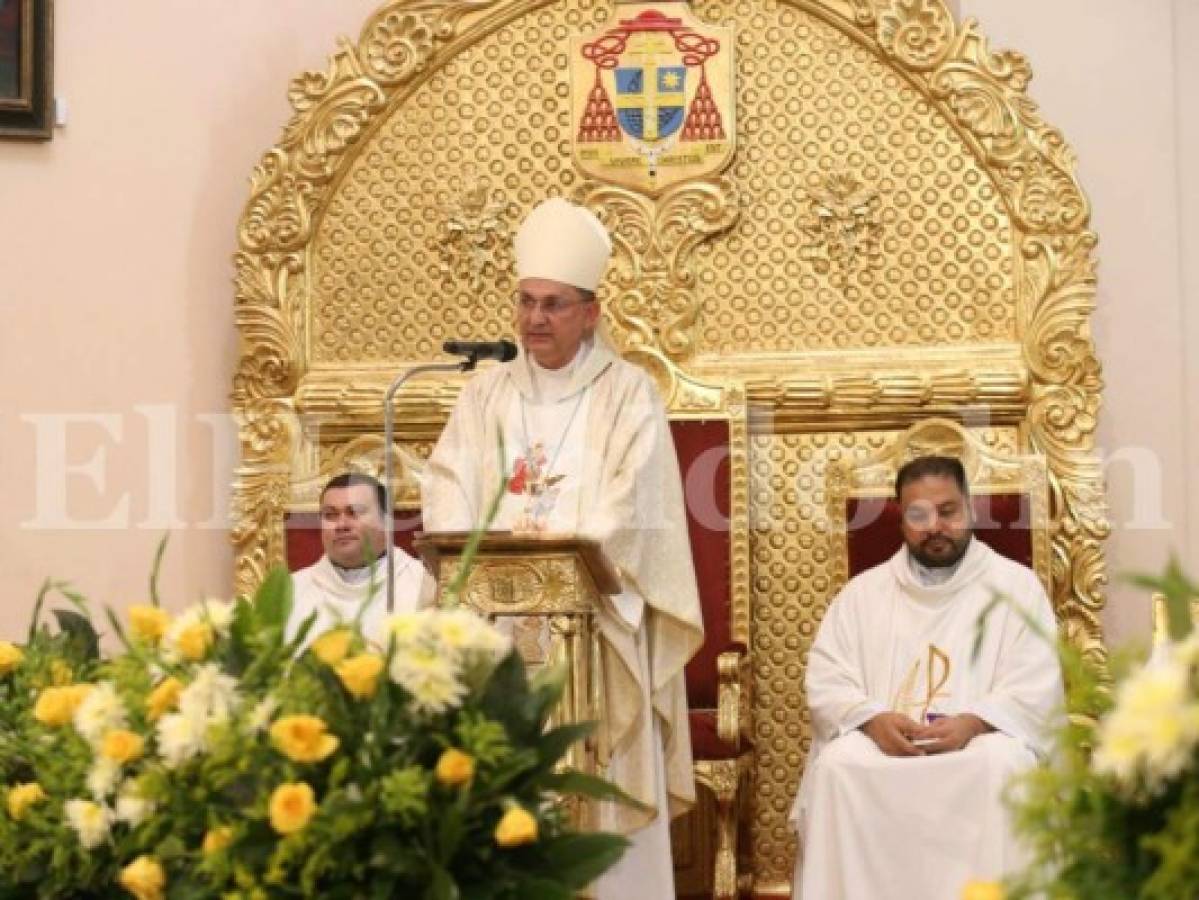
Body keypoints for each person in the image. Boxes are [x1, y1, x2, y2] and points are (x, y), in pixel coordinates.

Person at [421, 197, 704, 898]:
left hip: (593, 633)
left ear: (589, 312)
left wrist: (569, 547)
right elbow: (448, 480)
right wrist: (479, 544)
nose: (533, 319)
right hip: (494, 629)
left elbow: (636, 501)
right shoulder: (483, 396)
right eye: (524, 301)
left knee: (596, 792)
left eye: (551, 304)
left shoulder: (627, 393)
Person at [790, 455, 1063, 900]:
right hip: (887, 748)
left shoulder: (1016, 587)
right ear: (901, 520)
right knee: (839, 766)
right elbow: (828, 678)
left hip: (976, 746)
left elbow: (1036, 680)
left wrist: (975, 721)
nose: (934, 525)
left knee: (1002, 763)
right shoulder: (864, 593)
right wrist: (872, 718)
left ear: (970, 509)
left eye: (947, 511)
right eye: (918, 515)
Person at [287, 473, 433, 646]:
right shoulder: (292, 591)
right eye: (330, 515)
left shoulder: (424, 585)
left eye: (354, 512)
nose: (341, 525)